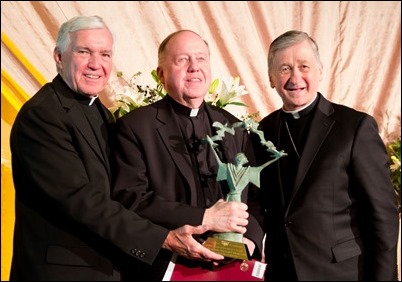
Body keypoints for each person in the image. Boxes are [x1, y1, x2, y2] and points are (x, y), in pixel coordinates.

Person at [9, 16, 224, 281]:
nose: (95, 64)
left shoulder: (102, 115)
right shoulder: (42, 116)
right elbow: (81, 199)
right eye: (84, 51)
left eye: (105, 54)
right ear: (59, 56)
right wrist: (164, 238)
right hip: (62, 271)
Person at [111, 30, 264, 281]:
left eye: (201, 59)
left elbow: (257, 197)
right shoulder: (135, 127)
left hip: (232, 268)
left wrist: (251, 240)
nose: (194, 68)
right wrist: (204, 218)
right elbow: (131, 198)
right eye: (182, 60)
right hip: (165, 267)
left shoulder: (233, 126)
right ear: (161, 74)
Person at [253, 30, 399, 281]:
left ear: (320, 70)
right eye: (285, 68)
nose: (295, 77)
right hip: (282, 272)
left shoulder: (354, 127)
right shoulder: (262, 131)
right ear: (270, 78)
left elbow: (382, 214)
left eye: (304, 66)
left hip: (342, 272)